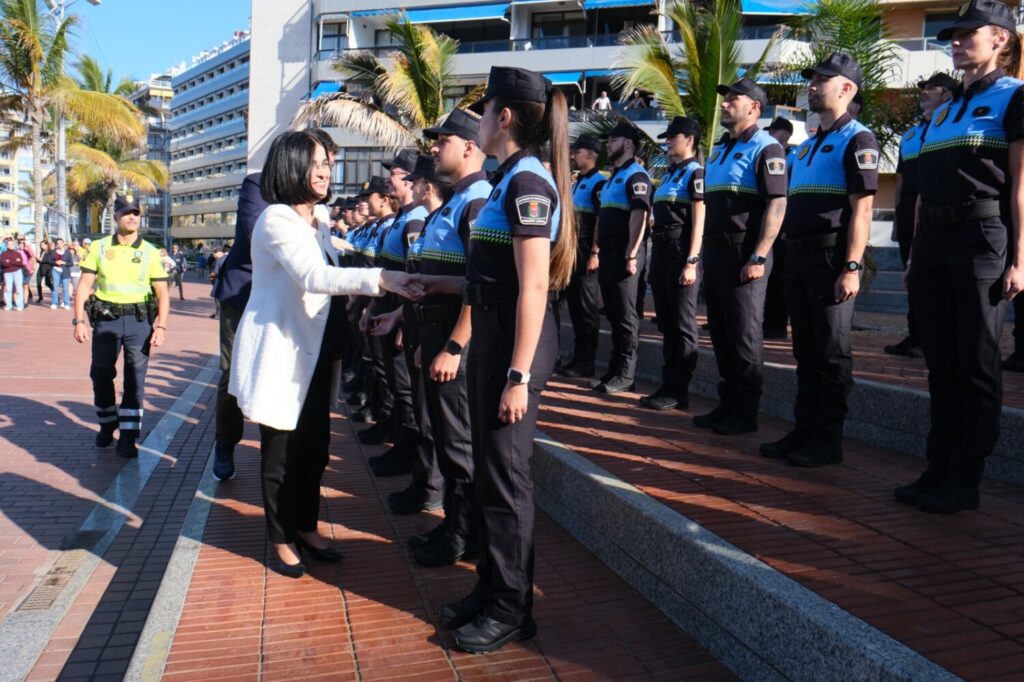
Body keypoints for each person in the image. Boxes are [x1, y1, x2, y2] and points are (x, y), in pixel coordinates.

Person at [228, 130, 423, 577]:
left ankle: (308, 526)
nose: (323, 170)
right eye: (315, 162)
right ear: (290, 166)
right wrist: (384, 279)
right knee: (280, 455)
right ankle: (280, 538)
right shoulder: (276, 219)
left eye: (327, 163)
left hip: (317, 351)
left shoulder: (315, 218)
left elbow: (336, 258)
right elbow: (315, 277)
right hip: (282, 353)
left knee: (314, 448)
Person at [436, 65, 576, 654]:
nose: (482, 119)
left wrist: (517, 375)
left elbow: (535, 288)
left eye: (486, 108)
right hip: (493, 337)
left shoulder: (526, 183)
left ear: (505, 117)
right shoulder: (508, 179)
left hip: (515, 344)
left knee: (507, 478)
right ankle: (492, 588)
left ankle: (512, 608)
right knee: (494, 476)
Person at [895, 0, 1024, 513]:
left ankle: (964, 478)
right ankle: (938, 466)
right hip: (934, 244)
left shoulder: (1015, 97)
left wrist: (1020, 256)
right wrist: (914, 255)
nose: (955, 41)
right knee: (940, 362)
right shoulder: (944, 110)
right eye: (952, 34)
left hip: (984, 237)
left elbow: (1021, 185)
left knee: (975, 363)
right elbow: (924, 190)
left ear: (1000, 39)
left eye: (967, 33)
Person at [760, 53, 879, 467]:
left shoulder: (858, 139)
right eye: (811, 79)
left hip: (831, 258)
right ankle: (803, 429)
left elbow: (861, 212)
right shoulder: (807, 145)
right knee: (805, 350)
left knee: (831, 352)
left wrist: (851, 267)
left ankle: (827, 439)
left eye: (822, 80)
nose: (812, 86)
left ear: (847, 88)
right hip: (798, 257)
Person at [401, 112, 491, 567]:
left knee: (457, 443)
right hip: (436, 328)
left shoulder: (476, 201)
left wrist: (454, 345)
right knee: (446, 436)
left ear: (471, 147)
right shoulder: (456, 202)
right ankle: (456, 524)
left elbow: (479, 283)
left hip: (459, 337)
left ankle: (464, 533)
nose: (435, 149)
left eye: (444, 141)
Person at [696, 77, 787, 435]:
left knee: (743, 335)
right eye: (725, 98)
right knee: (720, 332)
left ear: (755, 107)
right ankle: (728, 402)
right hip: (717, 252)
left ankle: (745, 412)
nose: (725, 103)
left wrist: (760, 256)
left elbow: (776, 204)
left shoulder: (766, 148)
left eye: (734, 98)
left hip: (743, 253)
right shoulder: (719, 150)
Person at [73, 196, 170, 458]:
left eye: (136, 213)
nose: (132, 217)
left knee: (135, 381)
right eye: (126, 213)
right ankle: (107, 424)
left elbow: (162, 293)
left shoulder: (150, 251)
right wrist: (78, 320)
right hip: (106, 321)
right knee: (100, 374)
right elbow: (84, 286)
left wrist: (161, 326)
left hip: (139, 323)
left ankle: (128, 437)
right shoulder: (99, 247)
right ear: (116, 217)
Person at [885, 72, 957, 359]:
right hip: (908, 207)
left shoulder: (952, 126)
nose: (924, 92)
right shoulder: (911, 134)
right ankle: (916, 336)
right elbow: (901, 179)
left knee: (936, 277)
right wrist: (896, 217)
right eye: (922, 88)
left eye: (931, 88)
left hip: (936, 208)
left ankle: (937, 338)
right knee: (911, 274)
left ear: (948, 95)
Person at [641, 116, 705, 411]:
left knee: (682, 323)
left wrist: (691, 261)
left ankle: (680, 389)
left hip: (681, 251)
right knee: (667, 322)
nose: (667, 141)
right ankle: (668, 385)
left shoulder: (696, 173)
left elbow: (699, 221)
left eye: (673, 137)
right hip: (663, 251)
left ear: (689, 139)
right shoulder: (668, 175)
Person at [592, 120, 652, 393]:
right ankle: (615, 370)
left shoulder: (636, 175)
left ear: (628, 143)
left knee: (626, 316)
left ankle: (626, 374)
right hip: (608, 252)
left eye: (613, 140)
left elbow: (640, 214)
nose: (607, 144)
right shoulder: (615, 175)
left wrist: (631, 253)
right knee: (615, 314)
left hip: (624, 252)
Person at [559, 134, 606, 378]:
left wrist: (595, 252)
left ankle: (586, 361)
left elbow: (599, 220)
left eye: (577, 152)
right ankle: (577, 358)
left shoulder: (599, 182)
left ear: (589, 153)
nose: (574, 156)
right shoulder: (578, 182)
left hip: (587, 251)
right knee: (575, 308)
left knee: (586, 309)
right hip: (572, 252)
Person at [763, 116, 796, 340]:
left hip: (784, 227)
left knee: (779, 278)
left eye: (775, 132)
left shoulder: (792, 157)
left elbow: (788, 194)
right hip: (769, 224)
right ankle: (768, 321)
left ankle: (777, 324)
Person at [49, 238, 73, 309]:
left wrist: (64, 262)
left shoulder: (67, 252)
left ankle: (66, 304)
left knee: (65, 289)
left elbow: (71, 263)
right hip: (55, 270)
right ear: (56, 244)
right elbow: (49, 261)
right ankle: (54, 303)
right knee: (55, 288)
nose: (59, 244)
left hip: (65, 272)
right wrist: (55, 262)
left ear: (63, 244)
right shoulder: (53, 252)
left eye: (61, 243)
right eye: (58, 243)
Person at [1, 242, 25, 311]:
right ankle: (9, 305)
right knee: (8, 289)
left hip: (17, 272)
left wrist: (9, 261)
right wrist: (15, 262)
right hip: (7, 273)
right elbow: (4, 263)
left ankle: (20, 305)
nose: (11, 245)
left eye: (12, 244)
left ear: (14, 246)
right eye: (9, 244)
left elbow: (20, 263)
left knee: (19, 289)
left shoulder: (18, 253)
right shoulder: (4, 254)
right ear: (7, 246)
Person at [17, 237, 35, 305]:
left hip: (27, 270)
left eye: (22, 243)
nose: (21, 244)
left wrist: (32, 268)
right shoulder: (16, 251)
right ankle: (19, 301)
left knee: (25, 285)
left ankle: (25, 301)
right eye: (20, 243)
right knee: (20, 286)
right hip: (19, 270)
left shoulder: (27, 250)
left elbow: (33, 257)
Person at [35, 240, 52, 304]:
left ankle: (55, 294)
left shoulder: (50, 252)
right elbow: (40, 260)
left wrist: (41, 259)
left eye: (43, 245)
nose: (42, 246)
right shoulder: (42, 251)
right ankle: (40, 297)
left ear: (47, 245)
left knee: (48, 283)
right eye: (41, 245)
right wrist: (37, 260)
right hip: (41, 268)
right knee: (38, 283)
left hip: (47, 269)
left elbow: (49, 260)